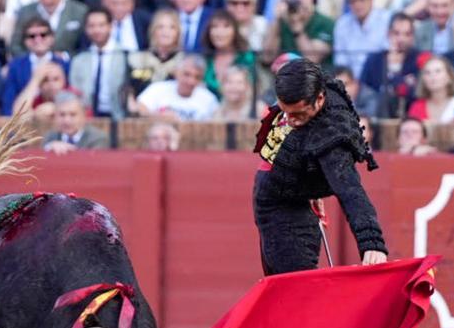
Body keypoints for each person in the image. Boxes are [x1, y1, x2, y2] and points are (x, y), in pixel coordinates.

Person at [251, 58, 386, 275]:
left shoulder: (329, 136)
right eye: (286, 112)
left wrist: (372, 242)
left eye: (299, 114)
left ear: (320, 99)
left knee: (293, 292)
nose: (290, 120)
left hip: (285, 207)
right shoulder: (313, 82)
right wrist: (310, 183)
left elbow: (351, 191)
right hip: (285, 198)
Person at [136, 55, 221, 120]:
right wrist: (159, 117)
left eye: (197, 77)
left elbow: (216, 120)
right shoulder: (158, 89)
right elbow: (139, 108)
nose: (191, 81)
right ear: (176, 72)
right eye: (186, 74)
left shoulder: (209, 99)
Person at [42, 91, 109, 153]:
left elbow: (95, 163)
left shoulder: (98, 138)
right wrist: (49, 147)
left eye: (73, 114)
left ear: (83, 116)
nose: (67, 120)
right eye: (62, 115)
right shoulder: (50, 137)